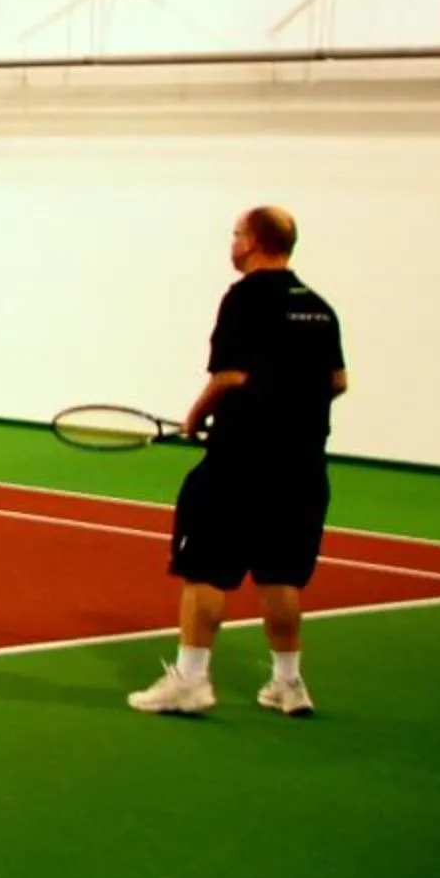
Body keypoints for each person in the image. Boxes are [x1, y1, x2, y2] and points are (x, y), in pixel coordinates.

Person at [129, 206, 346, 719]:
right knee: (280, 575)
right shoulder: (319, 306)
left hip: (239, 462)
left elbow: (229, 377)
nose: (232, 243)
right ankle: (288, 685)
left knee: (204, 568)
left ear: (251, 241)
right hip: (303, 465)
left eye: (235, 234)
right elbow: (337, 382)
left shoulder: (244, 300)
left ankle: (191, 680)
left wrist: (195, 416)